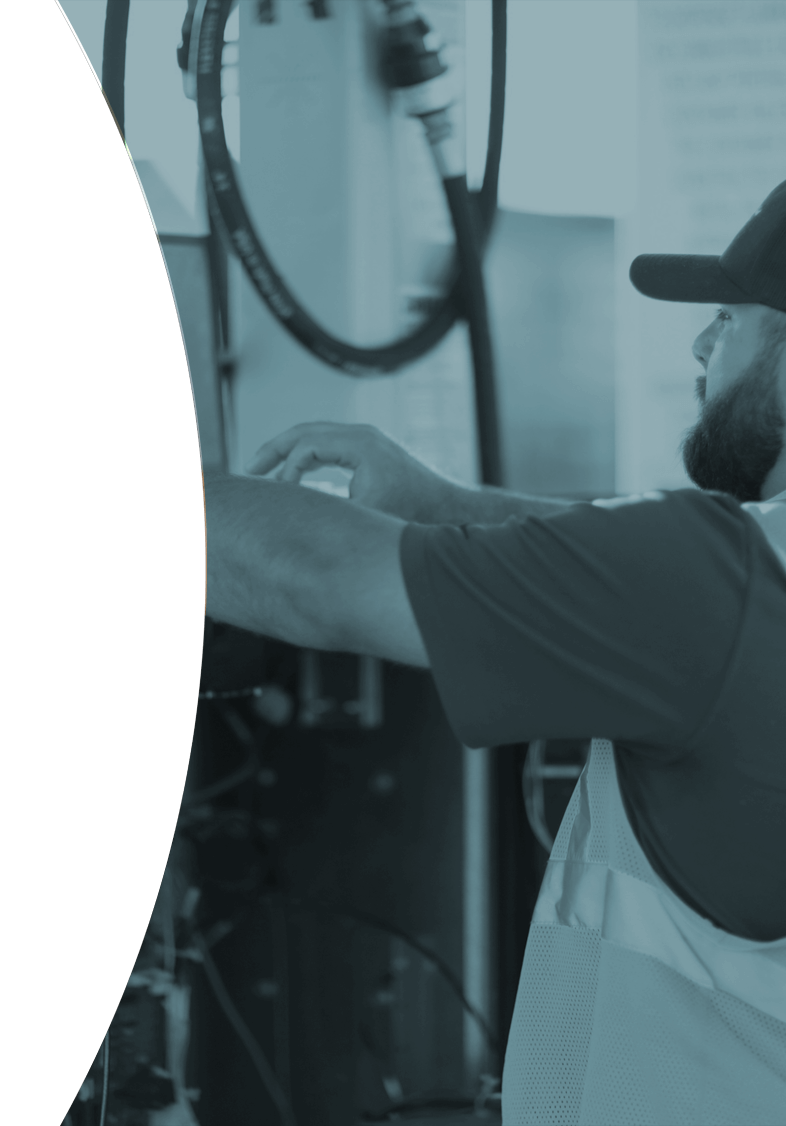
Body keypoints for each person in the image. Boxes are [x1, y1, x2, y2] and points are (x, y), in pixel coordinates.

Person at [204, 181, 786, 1125]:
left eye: (728, 320)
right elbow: (651, 583)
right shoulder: (726, 584)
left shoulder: (714, 584)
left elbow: (307, 573)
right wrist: (445, 506)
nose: (698, 347)